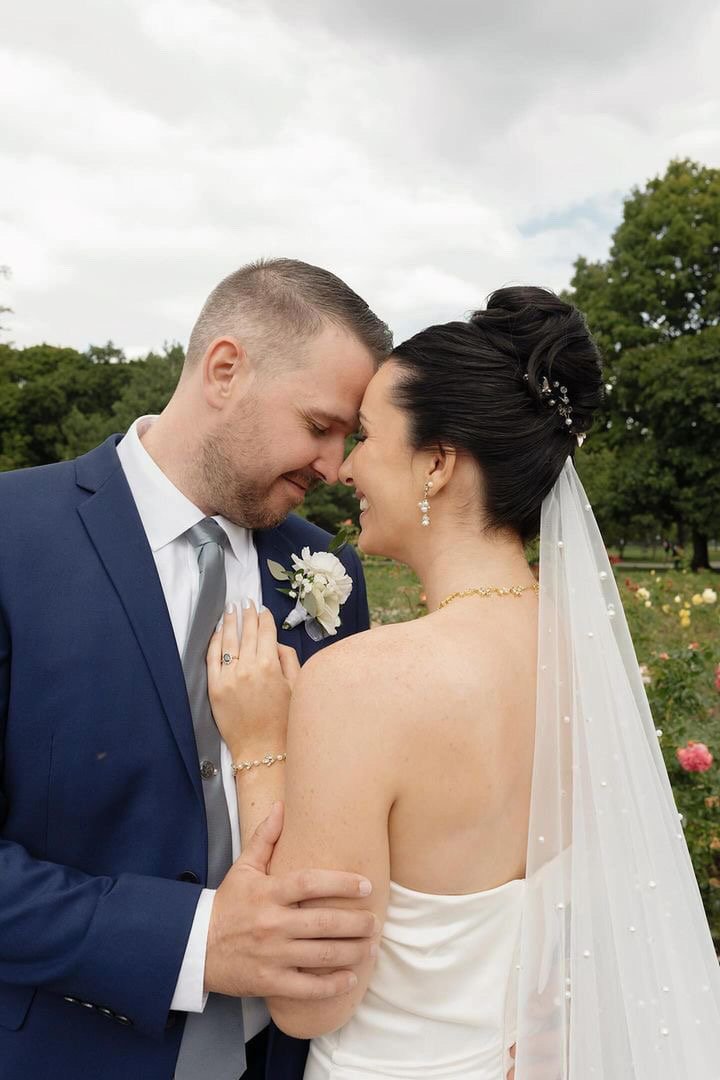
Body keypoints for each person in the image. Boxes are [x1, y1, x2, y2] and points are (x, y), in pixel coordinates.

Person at [210, 286, 720, 1079]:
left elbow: (309, 1000)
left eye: (368, 436)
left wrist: (258, 745)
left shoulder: (360, 683)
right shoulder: (584, 658)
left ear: (439, 462)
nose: (343, 469)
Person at [0, 258, 392, 1080]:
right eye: (321, 425)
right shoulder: (11, 536)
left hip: (285, 1055)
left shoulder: (329, 575)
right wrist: (193, 942)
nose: (334, 465)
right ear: (224, 369)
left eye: (350, 438)